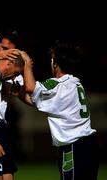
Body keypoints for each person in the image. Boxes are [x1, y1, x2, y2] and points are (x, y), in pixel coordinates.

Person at [20, 41, 99, 180]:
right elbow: (37, 100)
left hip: (73, 146)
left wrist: (26, 62)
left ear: (55, 63)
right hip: (89, 145)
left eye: (52, 60)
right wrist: (19, 94)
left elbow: (31, 88)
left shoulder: (57, 83)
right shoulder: (75, 82)